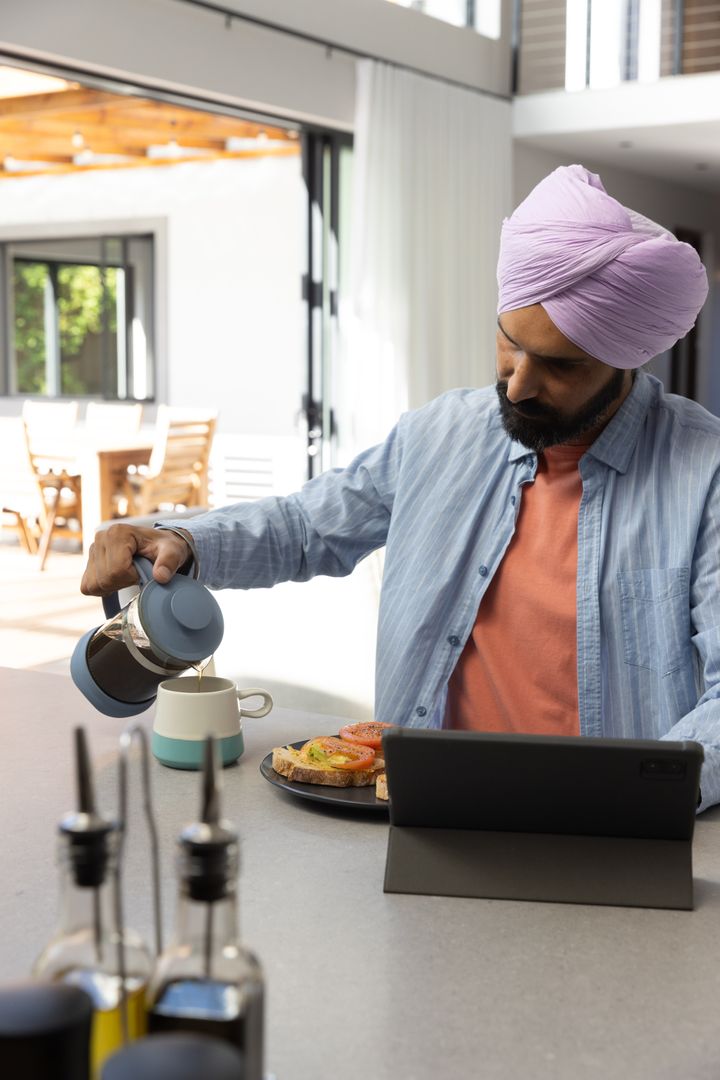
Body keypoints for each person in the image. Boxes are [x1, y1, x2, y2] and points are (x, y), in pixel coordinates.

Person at [81, 165, 720, 810]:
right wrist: (182, 542)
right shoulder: (438, 434)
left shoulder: (705, 473)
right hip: (425, 818)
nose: (518, 383)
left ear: (627, 357)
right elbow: (306, 528)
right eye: (509, 340)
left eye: (558, 365)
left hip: (604, 834)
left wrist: (644, 797)